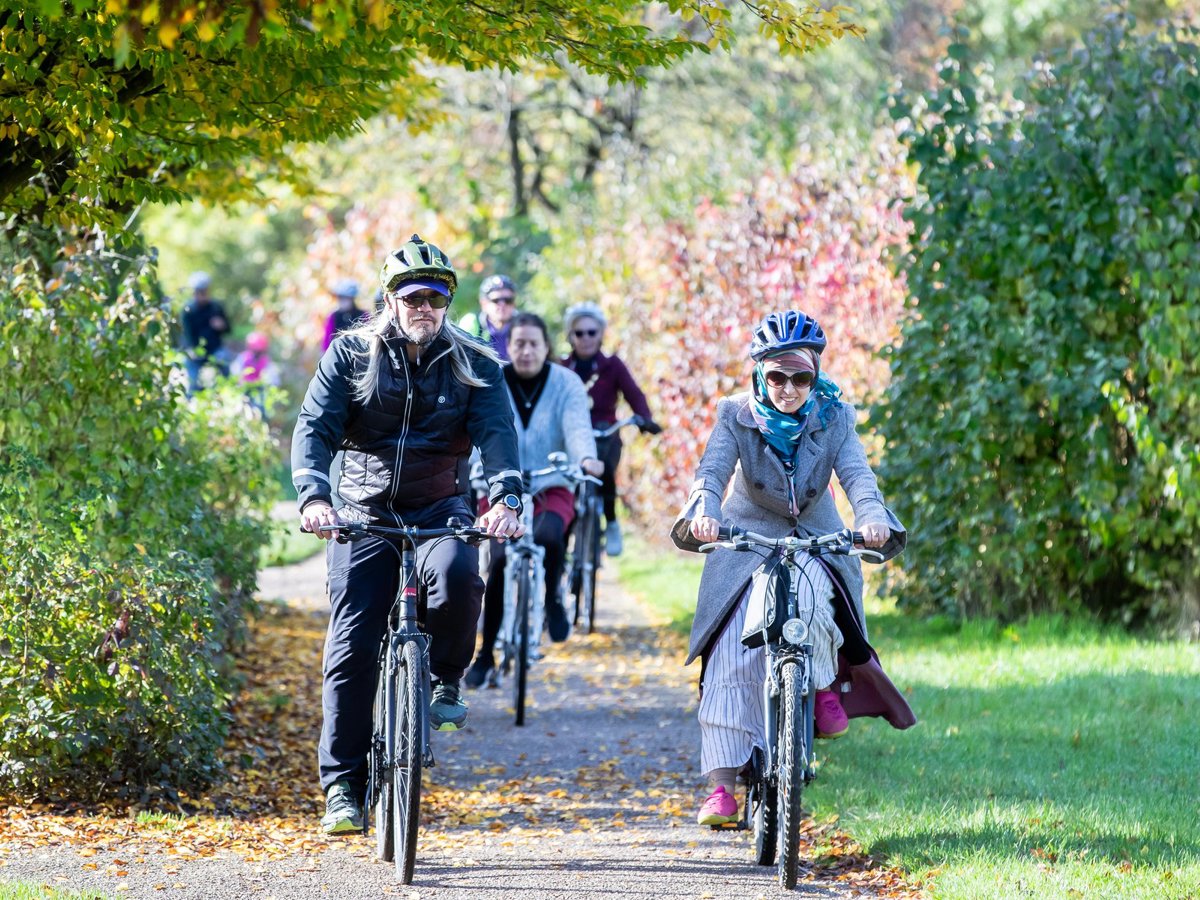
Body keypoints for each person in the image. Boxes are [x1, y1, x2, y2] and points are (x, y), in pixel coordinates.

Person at [291, 234, 526, 836]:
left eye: (437, 296)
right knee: (351, 646)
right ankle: (342, 786)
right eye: (413, 295)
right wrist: (315, 496)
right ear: (390, 299)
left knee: (457, 576)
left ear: (449, 301)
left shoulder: (476, 362)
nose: (426, 306)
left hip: (438, 506)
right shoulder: (350, 355)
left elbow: (499, 437)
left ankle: (446, 675)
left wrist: (504, 498)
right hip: (361, 511)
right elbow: (314, 428)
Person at [670, 310, 915, 827]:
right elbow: (711, 473)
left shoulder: (835, 417)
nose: (788, 388)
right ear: (759, 374)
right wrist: (705, 513)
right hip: (746, 536)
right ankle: (722, 788)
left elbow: (858, 478)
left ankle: (822, 681)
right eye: (776, 376)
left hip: (815, 532)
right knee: (734, 651)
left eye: (800, 377)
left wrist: (870, 518)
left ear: (815, 375)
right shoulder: (733, 414)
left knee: (818, 592)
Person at [465, 312, 603, 688]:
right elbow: (481, 431)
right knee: (498, 560)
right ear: (508, 347)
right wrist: (471, 468)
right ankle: (485, 653)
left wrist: (586, 459)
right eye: (518, 343)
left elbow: (577, 428)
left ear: (547, 348)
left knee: (550, 536)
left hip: (550, 483)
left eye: (533, 343)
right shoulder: (492, 379)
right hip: (497, 488)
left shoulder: (567, 383)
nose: (525, 351)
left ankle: (554, 599)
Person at [560, 302, 662, 557]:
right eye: (579, 333)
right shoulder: (561, 367)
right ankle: (561, 540)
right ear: (570, 336)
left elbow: (634, 395)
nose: (585, 338)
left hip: (604, 433)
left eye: (591, 332)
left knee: (604, 470)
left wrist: (644, 419)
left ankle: (611, 522)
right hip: (570, 436)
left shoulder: (612, 366)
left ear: (601, 334)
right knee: (566, 486)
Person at [180, 271, 232, 394]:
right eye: (199, 291)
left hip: (215, 349)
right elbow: (188, 335)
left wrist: (222, 326)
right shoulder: (188, 310)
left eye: (204, 291)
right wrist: (195, 351)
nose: (202, 295)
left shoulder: (216, 307)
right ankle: (192, 398)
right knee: (192, 378)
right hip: (195, 350)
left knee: (226, 368)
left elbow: (229, 329)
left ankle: (227, 393)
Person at [458, 273, 517, 361]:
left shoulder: (525, 325)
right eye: (496, 300)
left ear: (514, 303)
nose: (502, 305)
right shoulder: (471, 323)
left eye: (508, 300)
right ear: (483, 303)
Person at [231, 330, 280, 414]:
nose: (257, 353)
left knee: (262, 408)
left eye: (259, 351)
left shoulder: (267, 363)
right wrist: (241, 381)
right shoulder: (243, 358)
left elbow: (274, 381)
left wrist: (263, 384)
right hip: (243, 390)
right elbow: (235, 372)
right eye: (255, 350)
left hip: (259, 392)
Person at [322, 278, 369, 351]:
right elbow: (326, 344)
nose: (341, 301)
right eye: (340, 298)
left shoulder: (363, 315)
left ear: (352, 299)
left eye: (345, 298)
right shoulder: (333, 317)